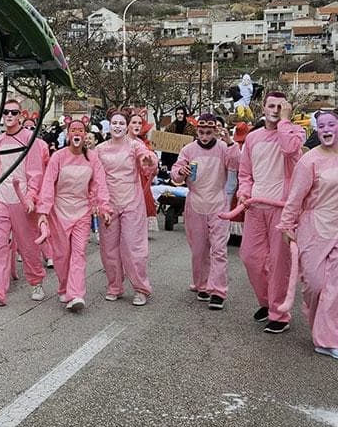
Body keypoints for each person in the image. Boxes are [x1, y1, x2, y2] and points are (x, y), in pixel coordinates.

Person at [278, 110, 338, 361]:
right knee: (315, 285)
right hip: (314, 225)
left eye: (332, 125)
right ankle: (317, 320)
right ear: (317, 130)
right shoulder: (309, 160)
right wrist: (287, 226)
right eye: (322, 126)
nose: (327, 129)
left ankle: (329, 340)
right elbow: (295, 197)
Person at [236, 91, 305, 332]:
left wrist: (285, 121)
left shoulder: (295, 132)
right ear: (263, 108)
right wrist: (244, 192)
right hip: (255, 206)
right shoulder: (253, 138)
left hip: (282, 208)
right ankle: (267, 301)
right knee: (250, 257)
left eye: (280, 106)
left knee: (279, 263)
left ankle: (279, 313)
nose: (275, 110)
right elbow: (245, 173)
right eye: (271, 106)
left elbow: (288, 150)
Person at [0, 99, 48, 306]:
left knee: (28, 245)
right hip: (0, 199)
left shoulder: (30, 139)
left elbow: (35, 173)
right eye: (6, 112)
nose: (9, 116)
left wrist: (32, 198)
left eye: (13, 112)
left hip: (22, 200)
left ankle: (36, 281)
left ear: (20, 115)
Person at [37, 118, 111, 312]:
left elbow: (99, 183)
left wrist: (104, 207)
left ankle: (76, 294)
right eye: (73, 130)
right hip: (59, 212)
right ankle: (63, 286)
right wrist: (43, 211)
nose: (77, 133)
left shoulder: (93, 158)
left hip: (82, 212)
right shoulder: (58, 157)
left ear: (85, 135)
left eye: (81, 130)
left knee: (78, 254)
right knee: (62, 255)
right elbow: (47, 184)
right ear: (68, 135)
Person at [95, 110, 158, 305]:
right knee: (109, 248)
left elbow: (147, 160)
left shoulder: (135, 145)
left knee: (133, 247)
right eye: (114, 122)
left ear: (127, 126)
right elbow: (94, 177)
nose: (118, 126)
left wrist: (149, 159)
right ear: (109, 125)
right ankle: (114, 286)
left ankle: (141, 288)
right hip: (109, 205)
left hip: (132, 202)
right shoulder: (100, 149)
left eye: (122, 123)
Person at [170, 114, 232, 310]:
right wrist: (181, 172)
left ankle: (218, 291)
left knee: (219, 250)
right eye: (201, 132)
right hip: (196, 203)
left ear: (215, 131)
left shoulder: (223, 148)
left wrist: (231, 143)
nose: (205, 135)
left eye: (208, 132)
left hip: (218, 204)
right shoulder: (188, 149)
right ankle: (202, 284)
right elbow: (175, 173)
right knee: (198, 249)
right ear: (196, 131)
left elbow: (238, 164)